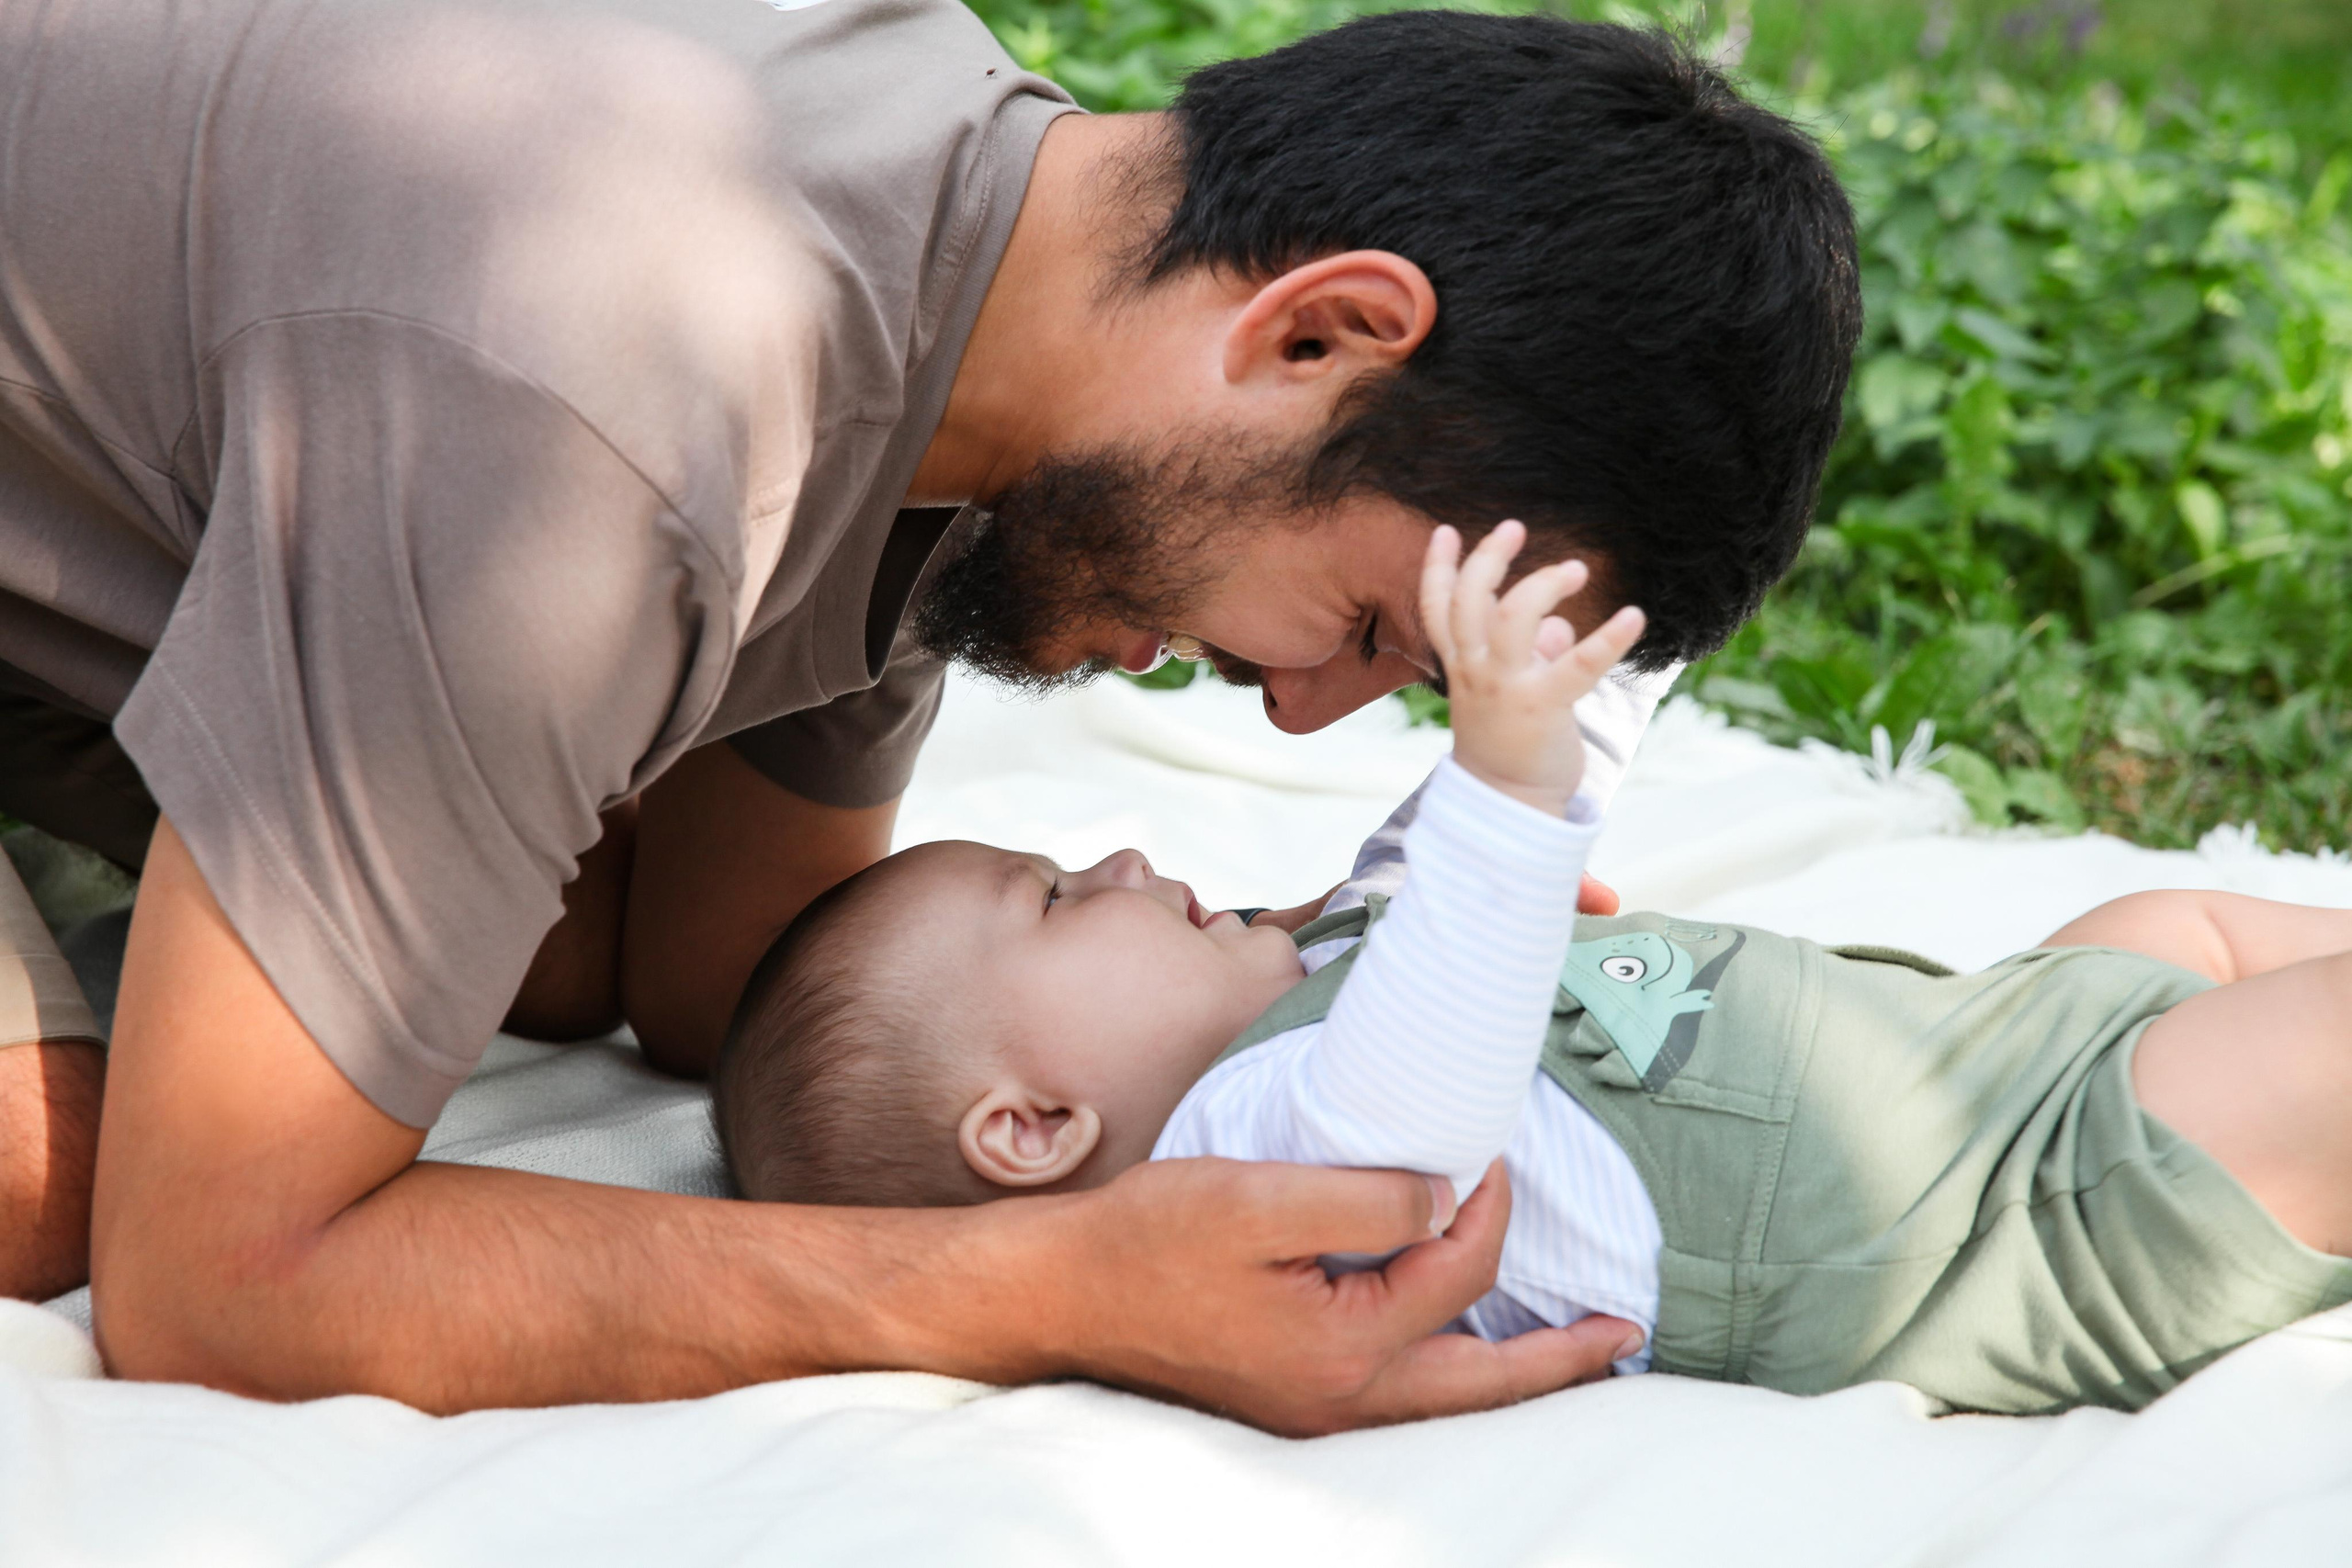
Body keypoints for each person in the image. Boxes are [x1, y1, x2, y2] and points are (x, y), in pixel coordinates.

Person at [0, 0, 1859, 1425]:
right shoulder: (615, 402)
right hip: (357, 429)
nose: (1302, 718)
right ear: (1314, 333)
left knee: (543, 953)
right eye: (1370, 621)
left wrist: (1333, 974)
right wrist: (1048, 1284)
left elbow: (722, 981)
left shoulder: (997, 301)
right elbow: (212, 1286)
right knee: (53, 1180)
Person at [716, 523, 2352, 1415]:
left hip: (1992, 1046)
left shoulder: (1306, 970)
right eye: (1068, 900)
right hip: (2020, 1216)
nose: (1132, 860)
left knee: (2171, 925)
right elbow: (1429, 1074)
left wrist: (1633, 616)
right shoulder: (1248, 1165)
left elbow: (1458, 856)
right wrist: (1504, 774)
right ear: (1033, 1129)